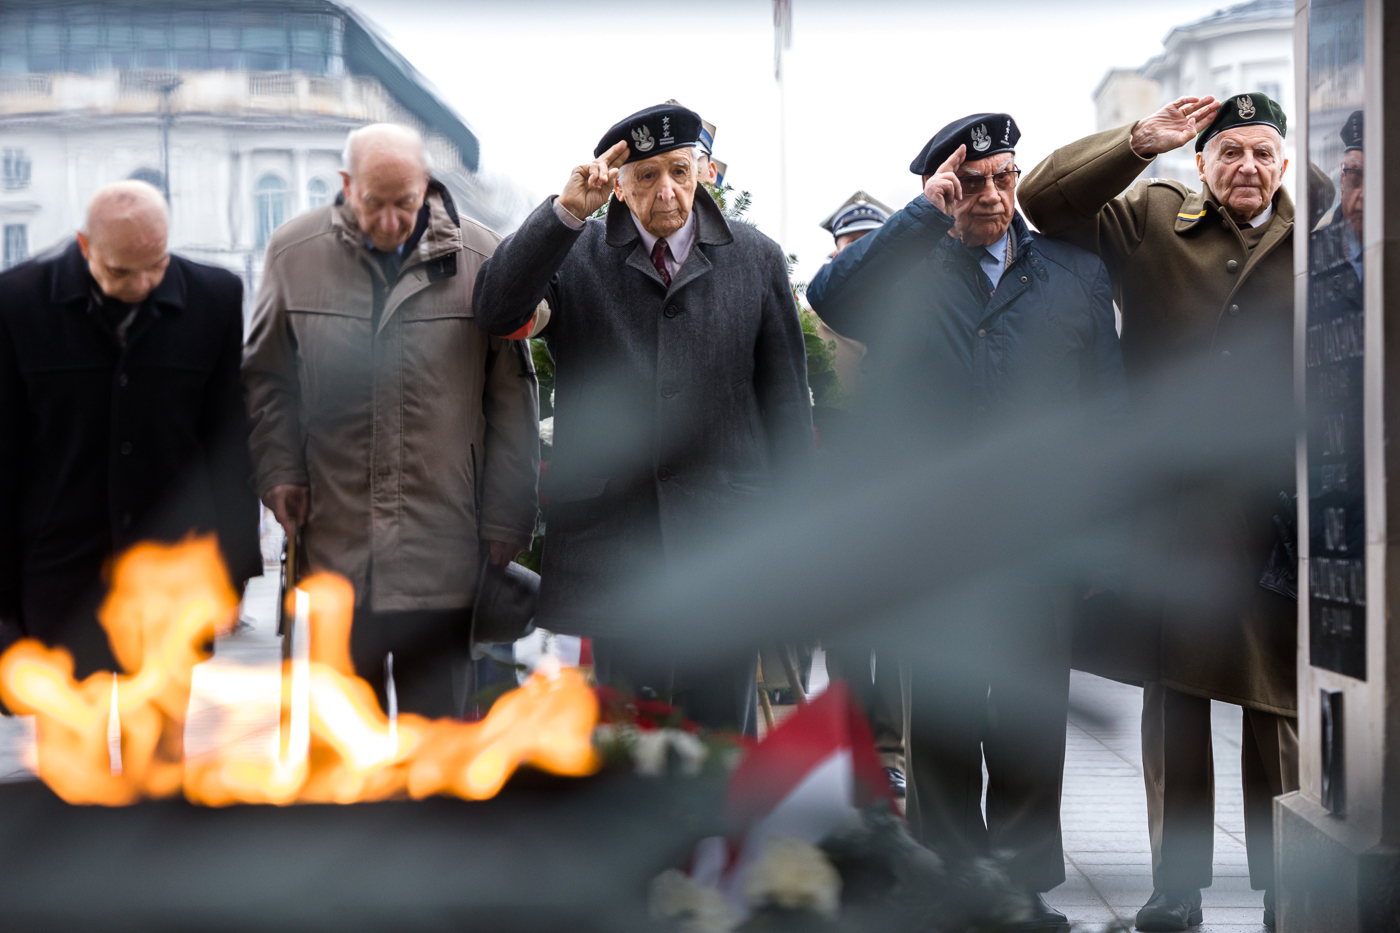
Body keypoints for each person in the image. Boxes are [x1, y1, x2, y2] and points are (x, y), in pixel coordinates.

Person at [808, 113, 1126, 933]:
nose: (990, 193)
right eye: (971, 181)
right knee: (943, 718)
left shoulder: (1074, 274)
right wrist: (922, 214)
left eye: (1003, 177)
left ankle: (1020, 887)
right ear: (943, 187)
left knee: (1029, 719)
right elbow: (828, 295)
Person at [1022, 92, 1297, 931]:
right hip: (1172, 512)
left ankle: (1287, 885)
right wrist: (1139, 142)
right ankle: (1176, 889)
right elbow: (1044, 201)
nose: (1247, 166)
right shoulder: (1150, 217)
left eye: (1262, 152)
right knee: (1175, 702)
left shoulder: (1313, 231)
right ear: (1202, 164)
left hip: (1276, 512)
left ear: (1284, 164)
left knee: (1277, 711)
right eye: (1229, 152)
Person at [472, 103, 813, 734]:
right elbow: (497, 310)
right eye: (647, 176)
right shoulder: (576, 254)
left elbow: (786, 408)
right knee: (631, 735)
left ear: (702, 171)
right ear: (619, 186)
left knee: (723, 739)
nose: (667, 192)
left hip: (727, 541)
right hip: (616, 546)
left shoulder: (755, 258)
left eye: (679, 171)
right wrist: (563, 215)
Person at [242, 123, 539, 719]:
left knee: (441, 741)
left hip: (444, 553)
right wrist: (278, 470)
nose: (389, 221)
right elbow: (266, 377)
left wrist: (508, 515)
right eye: (373, 203)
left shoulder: (480, 257)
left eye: (403, 202)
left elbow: (512, 398)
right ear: (347, 185)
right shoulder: (294, 252)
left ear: (425, 184)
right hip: (336, 549)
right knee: (346, 741)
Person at [0, 180, 262, 678]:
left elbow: (228, 441)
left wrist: (235, 570)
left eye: (156, 265)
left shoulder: (215, 298)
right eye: (121, 271)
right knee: (71, 729)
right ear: (85, 246)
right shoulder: (17, 302)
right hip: (62, 574)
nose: (143, 285)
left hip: (175, 570)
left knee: (163, 729)